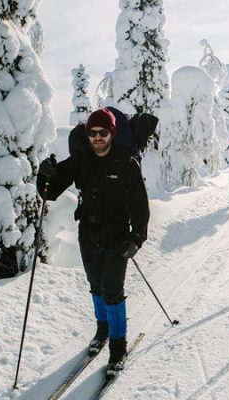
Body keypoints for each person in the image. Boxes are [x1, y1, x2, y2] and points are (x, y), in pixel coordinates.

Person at [37, 108, 150, 377]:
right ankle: (103, 330)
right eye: (92, 133)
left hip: (118, 237)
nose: (97, 138)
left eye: (102, 133)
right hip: (88, 234)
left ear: (112, 133)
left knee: (112, 290)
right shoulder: (80, 161)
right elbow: (49, 192)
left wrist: (137, 238)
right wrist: (45, 174)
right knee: (96, 286)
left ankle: (118, 348)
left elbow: (140, 205)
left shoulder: (126, 162)